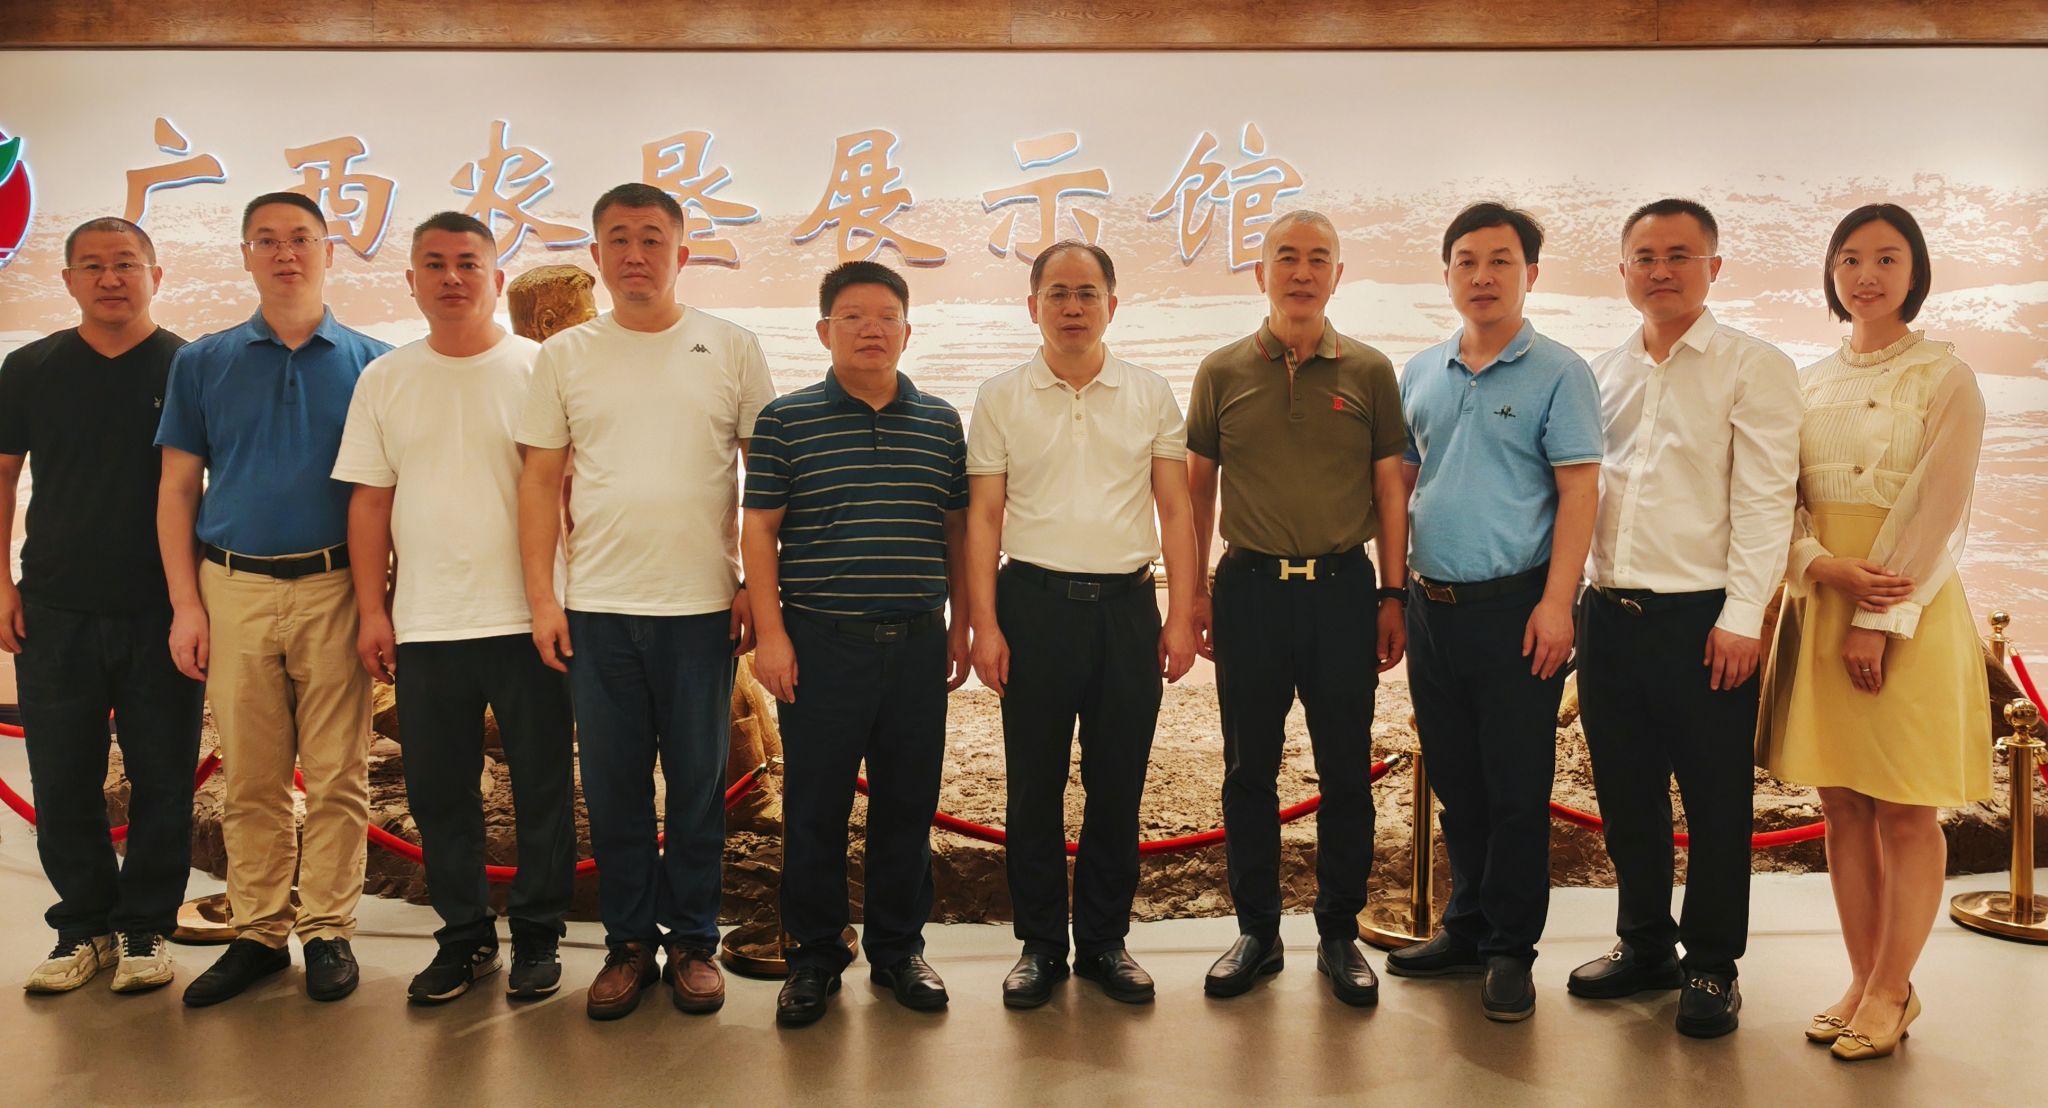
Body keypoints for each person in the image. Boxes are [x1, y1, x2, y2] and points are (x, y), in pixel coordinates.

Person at [514, 183, 771, 1021]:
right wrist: (544, 599)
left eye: (652, 238)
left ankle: (694, 941)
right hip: (598, 609)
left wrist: (753, 588)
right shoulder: (565, 356)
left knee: (697, 787)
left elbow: (765, 480)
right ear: (596, 257)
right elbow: (540, 481)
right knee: (615, 785)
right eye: (618, 238)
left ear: (681, 253)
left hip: (701, 610)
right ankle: (628, 944)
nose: (635, 253)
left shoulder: (730, 346)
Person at [1757, 203, 1989, 1061]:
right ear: (1830, 272)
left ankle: (1894, 988)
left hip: (1904, 609)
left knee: (1903, 806)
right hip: (1823, 600)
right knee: (1842, 805)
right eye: (1850, 259)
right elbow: (1779, 502)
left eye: (1888, 259)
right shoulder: (1807, 381)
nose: (1866, 275)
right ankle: (1864, 980)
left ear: (1915, 271)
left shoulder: (1946, 377)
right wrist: (1821, 569)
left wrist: (1876, 616)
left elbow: (1937, 509)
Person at [332, 212, 577, 1005]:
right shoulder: (386, 378)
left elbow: (573, 492)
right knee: (441, 794)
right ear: (411, 281)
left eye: (468, 263)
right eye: (434, 264)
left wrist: (564, 600)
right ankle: (465, 938)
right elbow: (370, 503)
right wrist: (374, 610)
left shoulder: (541, 369)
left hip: (532, 619)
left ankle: (538, 936)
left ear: (497, 279)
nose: (451, 277)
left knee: (542, 786)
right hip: (428, 621)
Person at [1572, 199, 1802, 1038]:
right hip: (1608, 615)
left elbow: (1768, 500)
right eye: (1645, 256)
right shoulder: (1601, 371)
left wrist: (1744, 616)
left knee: (1714, 801)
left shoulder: (1753, 366)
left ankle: (1710, 964)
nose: (1660, 270)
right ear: (1623, 269)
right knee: (1626, 795)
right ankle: (1643, 945)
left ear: (1714, 266)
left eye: (1679, 254)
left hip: (1704, 620)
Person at [158, 192, 392, 1007]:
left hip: (336, 586)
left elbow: (385, 497)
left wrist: (379, 604)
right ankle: (258, 931)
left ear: (328, 251)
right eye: (267, 240)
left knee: (337, 774)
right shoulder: (203, 362)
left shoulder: (374, 364)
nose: (285, 253)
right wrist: (186, 605)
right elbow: (177, 488)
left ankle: (327, 929)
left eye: (301, 239)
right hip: (233, 587)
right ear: (246, 255)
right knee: (251, 777)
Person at [1185, 211, 1410, 1007]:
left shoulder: (1371, 371)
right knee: (1249, 769)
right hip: (1248, 590)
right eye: (1287, 257)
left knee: (1346, 769)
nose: (1302, 272)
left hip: (1343, 592)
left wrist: (1392, 593)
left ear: (1338, 276)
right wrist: (1195, 591)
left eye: (1319, 259)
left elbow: (1390, 491)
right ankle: (1257, 931)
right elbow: (1197, 491)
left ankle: (1339, 934)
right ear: (1261, 273)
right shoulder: (1220, 371)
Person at [965, 241, 1199, 1009]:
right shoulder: (1001, 396)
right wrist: (984, 624)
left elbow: (1175, 510)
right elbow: (985, 516)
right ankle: (1039, 945)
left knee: (1117, 784)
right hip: (1031, 607)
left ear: (1112, 305)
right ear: (1032, 305)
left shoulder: (1149, 392)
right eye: (1058, 293)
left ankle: (1104, 941)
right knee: (1033, 788)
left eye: (1087, 293)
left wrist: (1179, 615)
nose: (1072, 306)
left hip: (1128, 612)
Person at [1386, 202, 1601, 1023]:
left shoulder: (1559, 372)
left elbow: (1579, 492)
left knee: (1515, 791)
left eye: (1500, 261)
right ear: (1446, 275)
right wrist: (1394, 592)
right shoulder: (1420, 372)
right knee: (1459, 785)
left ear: (1530, 274)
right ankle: (1468, 926)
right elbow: (1406, 485)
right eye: (1467, 261)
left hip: (1518, 610)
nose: (1482, 276)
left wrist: (1557, 605)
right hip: (1432, 609)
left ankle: (1512, 950)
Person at [742, 260, 970, 1027]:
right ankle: (813, 956)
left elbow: (957, 530)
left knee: (907, 803)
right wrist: (771, 636)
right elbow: (759, 530)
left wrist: (962, 626)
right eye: (852, 317)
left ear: (907, 330)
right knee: (815, 806)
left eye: (885, 317)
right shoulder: (786, 420)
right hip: (820, 643)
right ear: (824, 331)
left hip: (916, 644)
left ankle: (900, 950)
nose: (871, 330)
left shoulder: (941, 422)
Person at [1, 217, 205, 995]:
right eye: (92, 265)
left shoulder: (189, 366)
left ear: (156, 274)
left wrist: (198, 604)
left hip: (162, 608)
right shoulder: (30, 367)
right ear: (68, 280)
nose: (111, 278)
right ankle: (82, 927)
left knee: (164, 777)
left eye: (126, 263)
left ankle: (147, 926)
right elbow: (3, 475)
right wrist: (1, 584)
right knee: (61, 777)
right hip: (54, 607)